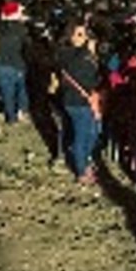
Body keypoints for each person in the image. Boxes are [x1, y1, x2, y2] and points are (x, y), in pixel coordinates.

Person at [54, 19, 104, 184]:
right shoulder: (77, 55)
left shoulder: (71, 53)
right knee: (83, 136)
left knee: (91, 133)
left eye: (84, 34)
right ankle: (81, 171)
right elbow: (90, 76)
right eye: (79, 34)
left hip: (80, 100)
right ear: (70, 36)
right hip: (79, 102)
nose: (82, 38)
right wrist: (91, 54)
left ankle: (82, 160)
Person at [0, 0, 30, 125]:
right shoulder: (22, 29)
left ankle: (11, 118)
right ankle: (22, 111)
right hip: (18, 64)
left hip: (0, 65)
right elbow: (27, 47)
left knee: (7, 93)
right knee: (21, 89)